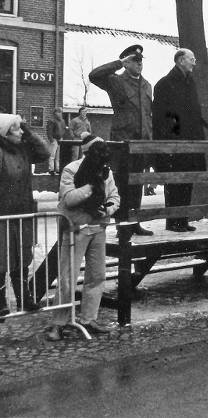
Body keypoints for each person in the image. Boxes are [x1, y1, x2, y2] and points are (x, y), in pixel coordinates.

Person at [46, 134, 120, 341]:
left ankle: (89, 318)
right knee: (67, 278)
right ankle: (59, 322)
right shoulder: (71, 169)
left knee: (97, 275)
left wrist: (108, 209)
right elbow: (69, 199)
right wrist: (92, 186)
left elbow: (114, 196)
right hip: (76, 229)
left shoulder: (106, 171)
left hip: (98, 227)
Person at [89, 45, 154, 236]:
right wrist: (118, 64)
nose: (139, 64)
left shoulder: (147, 85)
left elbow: (148, 116)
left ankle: (135, 222)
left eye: (141, 60)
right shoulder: (115, 81)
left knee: (137, 184)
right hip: (122, 142)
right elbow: (94, 76)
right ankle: (122, 226)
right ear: (126, 62)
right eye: (134, 60)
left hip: (141, 143)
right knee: (122, 185)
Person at [152, 49, 208, 232]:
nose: (194, 63)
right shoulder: (165, 84)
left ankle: (183, 218)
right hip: (175, 142)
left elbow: (194, 111)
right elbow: (162, 117)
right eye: (191, 59)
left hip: (191, 140)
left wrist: (206, 126)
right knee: (174, 181)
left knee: (187, 180)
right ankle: (173, 221)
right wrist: (172, 139)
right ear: (180, 60)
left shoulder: (190, 83)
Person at [0, 114, 49, 318]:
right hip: (3, 214)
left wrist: (27, 130)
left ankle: (24, 298)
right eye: (17, 129)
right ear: (5, 132)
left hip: (23, 212)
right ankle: (1, 301)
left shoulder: (24, 149)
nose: (21, 132)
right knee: (2, 258)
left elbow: (44, 152)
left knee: (23, 257)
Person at [45, 107, 66, 175]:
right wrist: (51, 139)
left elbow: (63, 129)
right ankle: (51, 169)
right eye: (58, 112)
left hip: (60, 139)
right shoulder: (51, 121)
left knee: (58, 156)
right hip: (54, 139)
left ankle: (57, 169)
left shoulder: (62, 121)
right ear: (55, 113)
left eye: (60, 112)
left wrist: (62, 137)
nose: (60, 113)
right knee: (52, 155)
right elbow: (49, 131)